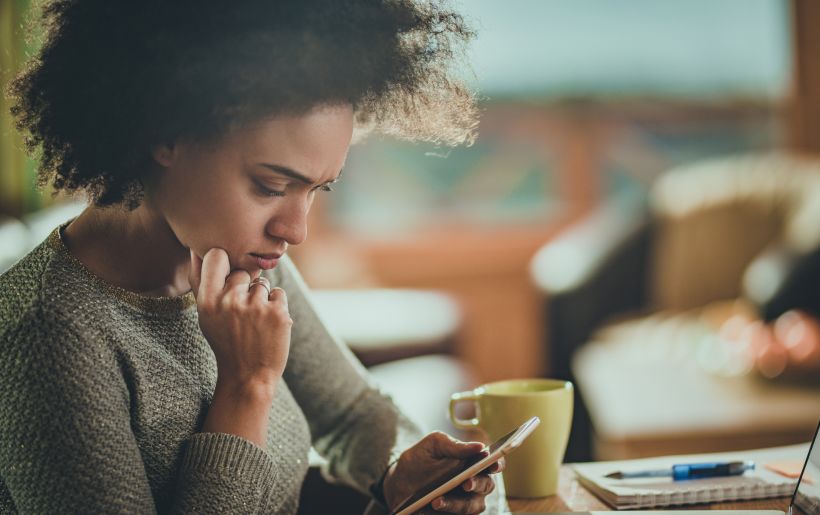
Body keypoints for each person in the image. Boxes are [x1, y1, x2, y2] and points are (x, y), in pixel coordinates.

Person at [0, 1, 499, 513]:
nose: (295, 230)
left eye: (317, 190)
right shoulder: (46, 334)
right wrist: (245, 388)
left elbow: (350, 413)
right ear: (165, 134)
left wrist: (399, 469)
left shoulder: (240, 258)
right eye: (271, 185)